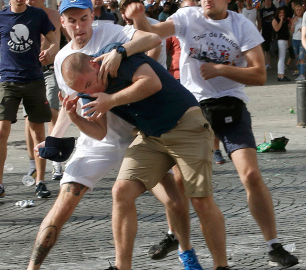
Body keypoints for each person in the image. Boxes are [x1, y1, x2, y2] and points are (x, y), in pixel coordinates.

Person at [27, 0, 196, 269]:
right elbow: (70, 107)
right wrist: (53, 139)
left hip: (139, 134)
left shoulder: (111, 32)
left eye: (83, 18)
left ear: (92, 15)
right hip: (98, 138)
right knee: (64, 203)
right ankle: (32, 267)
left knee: (174, 199)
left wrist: (120, 51)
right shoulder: (61, 59)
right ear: (62, 22)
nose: (79, 27)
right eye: (71, 21)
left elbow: (153, 37)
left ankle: (186, 253)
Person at [143, 0, 299, 267]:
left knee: (250, 174)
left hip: (230, 106)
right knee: (180, 181)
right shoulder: (187, 16)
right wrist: (137, 17)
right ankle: (173, 235)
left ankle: (273, 244)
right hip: (190, 108)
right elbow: (153, 31)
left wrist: (220, 69)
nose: (206, 0)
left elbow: (260, 74)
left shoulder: (242, 25)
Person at [61, 43, 229, 270]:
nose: (90, 93)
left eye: (90, 84)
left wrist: (111, 99)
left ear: (93, 64)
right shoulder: (86, 90)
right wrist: (75, 118)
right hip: (151, 136)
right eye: (84, 91)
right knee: (121, 191)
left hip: (186, 125)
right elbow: (99, 132)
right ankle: (123, 267)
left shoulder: (117, 60)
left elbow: (152, 82)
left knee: (200, 200)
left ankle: (221, 266)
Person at [0, 0, 58, 200]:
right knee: (1, 130)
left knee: (38, 132)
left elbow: (54, 40)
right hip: (8, 81)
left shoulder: (38, 15)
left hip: (34, 80)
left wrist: (50, 51)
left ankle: (40, 181)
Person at [23, 0, 63, 181]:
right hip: (29, 70)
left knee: (52, 110)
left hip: (51, 69)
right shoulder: (20, 15)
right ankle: (33, 163)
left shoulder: (54, 15)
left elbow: (67, 39)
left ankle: (55, 159)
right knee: (29, 118)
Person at [273, 6, 292, 81]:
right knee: (281, 58)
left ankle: (280, 74)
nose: (282, 14)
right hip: (279, 40)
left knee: (283, 57)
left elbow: (288, 30)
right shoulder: (275, 20)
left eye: (283, 13)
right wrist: (280, 21)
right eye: (280, 13)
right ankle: (281, 75)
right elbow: (276, 29)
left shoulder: (286, 21)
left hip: (285, 40)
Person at [259, 0, 276, 69]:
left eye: (269, 1)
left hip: (274, 30)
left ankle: (279, 63)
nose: (268, 2)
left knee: (276, 47)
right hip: (265, 30)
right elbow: (259, 20)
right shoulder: (261, 11)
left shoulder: (274, 9)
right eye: (266, 1)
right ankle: (268, 63)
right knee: (266, 48)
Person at [290, 4, 305, 81]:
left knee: (301, 57)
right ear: (295, 11)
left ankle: (302, 75)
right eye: (297, 10)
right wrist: (293, 23)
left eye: (300, 10)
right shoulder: (293, 19)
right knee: (297, 58)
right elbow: (291, 32)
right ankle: (300, 72)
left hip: (302, 40)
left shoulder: (304, 19)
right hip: (295, 40)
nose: (299, 11)